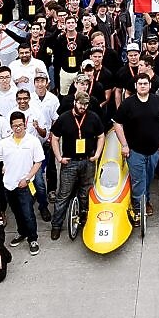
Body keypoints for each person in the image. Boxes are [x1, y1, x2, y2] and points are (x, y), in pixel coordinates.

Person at [0, 111, 44, 255]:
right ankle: (22, 233)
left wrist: (27, 178)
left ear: (25, 125)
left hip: (25, 185)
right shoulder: (5, 143)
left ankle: (33, 239)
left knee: (28, 213)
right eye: (15, 125)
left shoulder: (32, 141)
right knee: (17, 213)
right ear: (11, 126)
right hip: (9, 185)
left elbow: (38, 162)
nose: (18, 128)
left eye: (20, 125)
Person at [113, 73, 159, 222]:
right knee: (138, 180)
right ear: (135, 86)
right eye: (140, 84)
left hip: (154, 150)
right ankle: (138, 209)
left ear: (150, 85)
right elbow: (117, 123)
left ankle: (146, 200)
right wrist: (124, 145)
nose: (143, 86)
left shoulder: (158, 101)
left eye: (145, 83)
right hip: (135, 151)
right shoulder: (128, 103)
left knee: (148, 178)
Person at [49, 92, 104, 240]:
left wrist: (97, 154)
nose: (83, 107)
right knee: (63, 195)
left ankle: (84, 218)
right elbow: (54, 138)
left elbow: (101, 136)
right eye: (80, 103)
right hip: (70, 162)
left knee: (85, 192)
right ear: (75, 102)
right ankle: (56, 225)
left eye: (86, 104)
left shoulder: (93, 117)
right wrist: (59, 157)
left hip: (88, 161)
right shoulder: (64, 118)